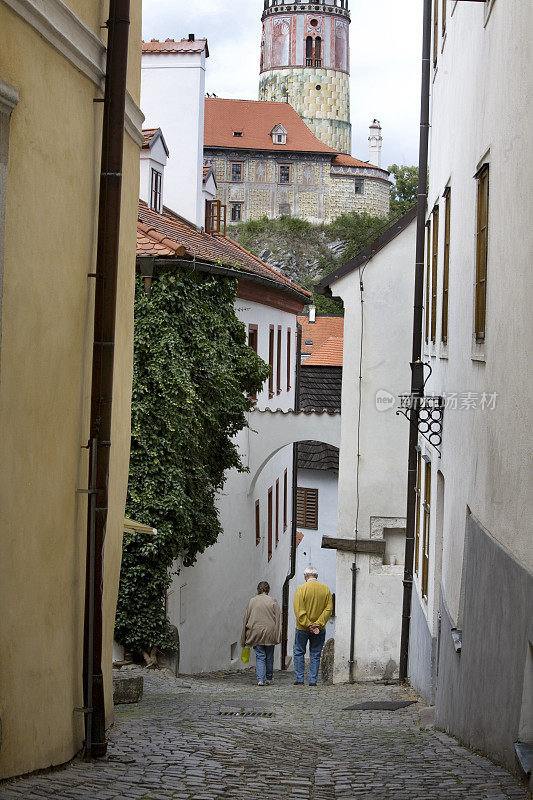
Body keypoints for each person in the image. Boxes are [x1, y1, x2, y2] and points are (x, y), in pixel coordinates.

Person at [293, 566, 332, 686]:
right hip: (319, 629)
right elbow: (328, 609)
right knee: (315, 653)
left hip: (302, 628)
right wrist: (318, 624)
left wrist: (308, 624)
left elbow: (299, 609)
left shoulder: (301, 589)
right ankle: (313, 680)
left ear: (305, 577)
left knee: (299, 651)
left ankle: (300, 679)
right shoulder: (325, 589)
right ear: (317, 576)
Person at [241, 581, 281, 686]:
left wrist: (244, 635)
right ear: (268, 590)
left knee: (260, 656)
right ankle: (268, 677)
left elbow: (246, 617)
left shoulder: (252, 601)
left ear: (258, 589)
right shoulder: (273, 601)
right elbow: (278, 618)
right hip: (269, 632)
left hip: (255, 631)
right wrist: (277, 635)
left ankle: (260, 679)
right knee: (269, 655)